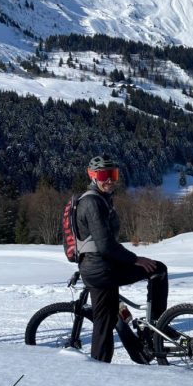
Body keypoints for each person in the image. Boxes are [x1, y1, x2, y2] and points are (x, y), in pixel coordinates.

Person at [75, 155, 169, 363]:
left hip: (100, 266)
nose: (110, 180)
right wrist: (135, 259)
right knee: (104, 322)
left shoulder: (101, 199)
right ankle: (99, 371)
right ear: (92, 176)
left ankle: (147, 339)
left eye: (113, 175)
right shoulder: (92, 202)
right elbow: (105, 245)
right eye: (104, 175)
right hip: (101, 270)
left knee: (107, 319)